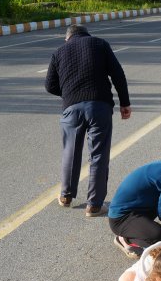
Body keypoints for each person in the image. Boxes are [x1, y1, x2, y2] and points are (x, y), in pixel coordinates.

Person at [46, 24, 132, 217]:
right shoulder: (100, 44)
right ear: (87, 34)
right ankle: (94, 205)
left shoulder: (59, 52)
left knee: (70, 151)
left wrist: (69, 93)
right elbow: (118, 74)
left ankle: (66, 196)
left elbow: (49, 85)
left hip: (71, 109)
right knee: (98, 155)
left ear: (67, 38)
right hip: (99, 106)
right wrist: (124, 103)